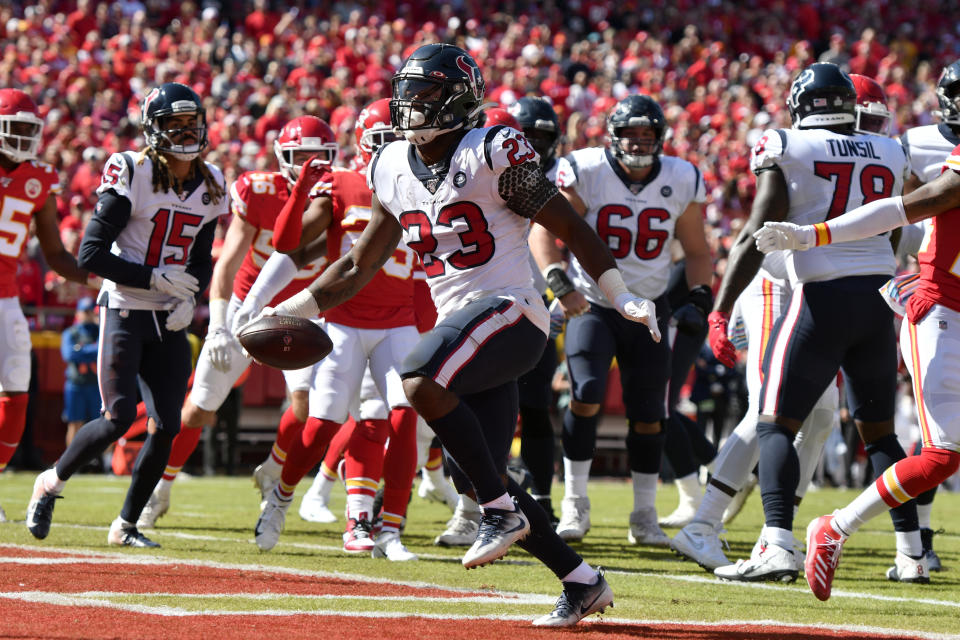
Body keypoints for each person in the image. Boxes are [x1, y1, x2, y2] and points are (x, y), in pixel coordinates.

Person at [262, 43, 660, 627]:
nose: (409, 109)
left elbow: (569, 225)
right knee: (477, 476)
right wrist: (291, 307)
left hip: (511, 311)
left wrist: (621, 293)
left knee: (418, 377)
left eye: (424, 98)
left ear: (458, 100)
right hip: (470, 327)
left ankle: (502, 513)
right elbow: (357, 265)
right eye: (406, 97)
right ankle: (581, 581)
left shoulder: (492, 151)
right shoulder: (392, 165)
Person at [670, 71, 894, 571]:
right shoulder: (818, 148)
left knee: (819, 412)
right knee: (770, 411)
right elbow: (760, 229)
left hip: (820, 286)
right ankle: (705, 523)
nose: (871, 129)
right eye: (866, 117)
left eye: (877, 120)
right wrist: (723, 308)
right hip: (777, 279)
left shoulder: (859, 148)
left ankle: (778, 533)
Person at [752, 140, 960, 601]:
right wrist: (811, 236)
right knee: (942, 456)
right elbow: (904, 208)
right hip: (945, 311)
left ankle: (889, 545)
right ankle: (835, 528)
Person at [25, 82, 227, 548]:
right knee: (117, 418)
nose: (184, 133)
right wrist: (155, 279)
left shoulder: (212, 181)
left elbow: (199, 257)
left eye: (190, 123)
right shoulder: (132, 169)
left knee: (168, 424)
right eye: (173, 125)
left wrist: (186, 299)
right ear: (152, 130)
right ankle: (50, 483)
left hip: (169, 315)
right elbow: (91, 253)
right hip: (126, 306)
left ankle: (127, 524)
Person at [135, 115, 336, 529]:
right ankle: (162, 485)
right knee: (200, 409)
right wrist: (221, 324)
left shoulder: (336, 193)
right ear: (283, 157)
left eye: (318, 156)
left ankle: (272, 469)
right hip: (248, 306)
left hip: (300, 309)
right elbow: (227, 262)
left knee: (305, 408)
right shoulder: (259, 190)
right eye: (300, 156)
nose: (308, 164)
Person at [528, 93, 712, 546]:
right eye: (630, 134)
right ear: (613, 136)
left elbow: (697, 250)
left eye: (647, 135)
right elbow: (546, 231)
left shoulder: (681, 176)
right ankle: (575, 504)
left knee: (650, 414)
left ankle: (644, 514)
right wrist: (560, 284)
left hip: (648, 305)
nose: (638, 143)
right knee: (586, 394)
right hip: (593, 303)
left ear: (661, 139)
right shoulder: (587, 170)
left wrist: (701, 296)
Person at [247, 97, 423, 561]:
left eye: (396, 139)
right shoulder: (342, 184)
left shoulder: (424, 184)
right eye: (379, 141)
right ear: (363, 146)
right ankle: (281, 499)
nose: (389, 150)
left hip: (399, 322)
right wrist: (304, 191)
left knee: (402, 417)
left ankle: (389, 529)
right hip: (342, 323)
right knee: (321, 423)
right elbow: (287, 244)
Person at [0, 88, 93, 522]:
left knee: (17, 387)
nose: (20, 136)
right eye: (13, 127)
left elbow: (55, 253)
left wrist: (99, 276)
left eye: (27, 129)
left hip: (6, 298)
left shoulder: (38, 177)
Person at [888, 59, 960, 570]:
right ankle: (918, 538)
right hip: (935, 291)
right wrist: (906, 275)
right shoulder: (912, 141)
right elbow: (897, 215)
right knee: (935, 431)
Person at [61, 297, 100, 447]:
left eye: (91, 311)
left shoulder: (101, 330)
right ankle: (71, 462)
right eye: (85, 311)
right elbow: (69, 355)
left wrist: (82, 351)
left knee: (104, 423)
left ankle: (105, 462)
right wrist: (93, 350)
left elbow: (105, 350)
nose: (88, 315)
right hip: (76, 384)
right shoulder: (71, 333)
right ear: (78, 313)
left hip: (96, 385)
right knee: (74, 423)